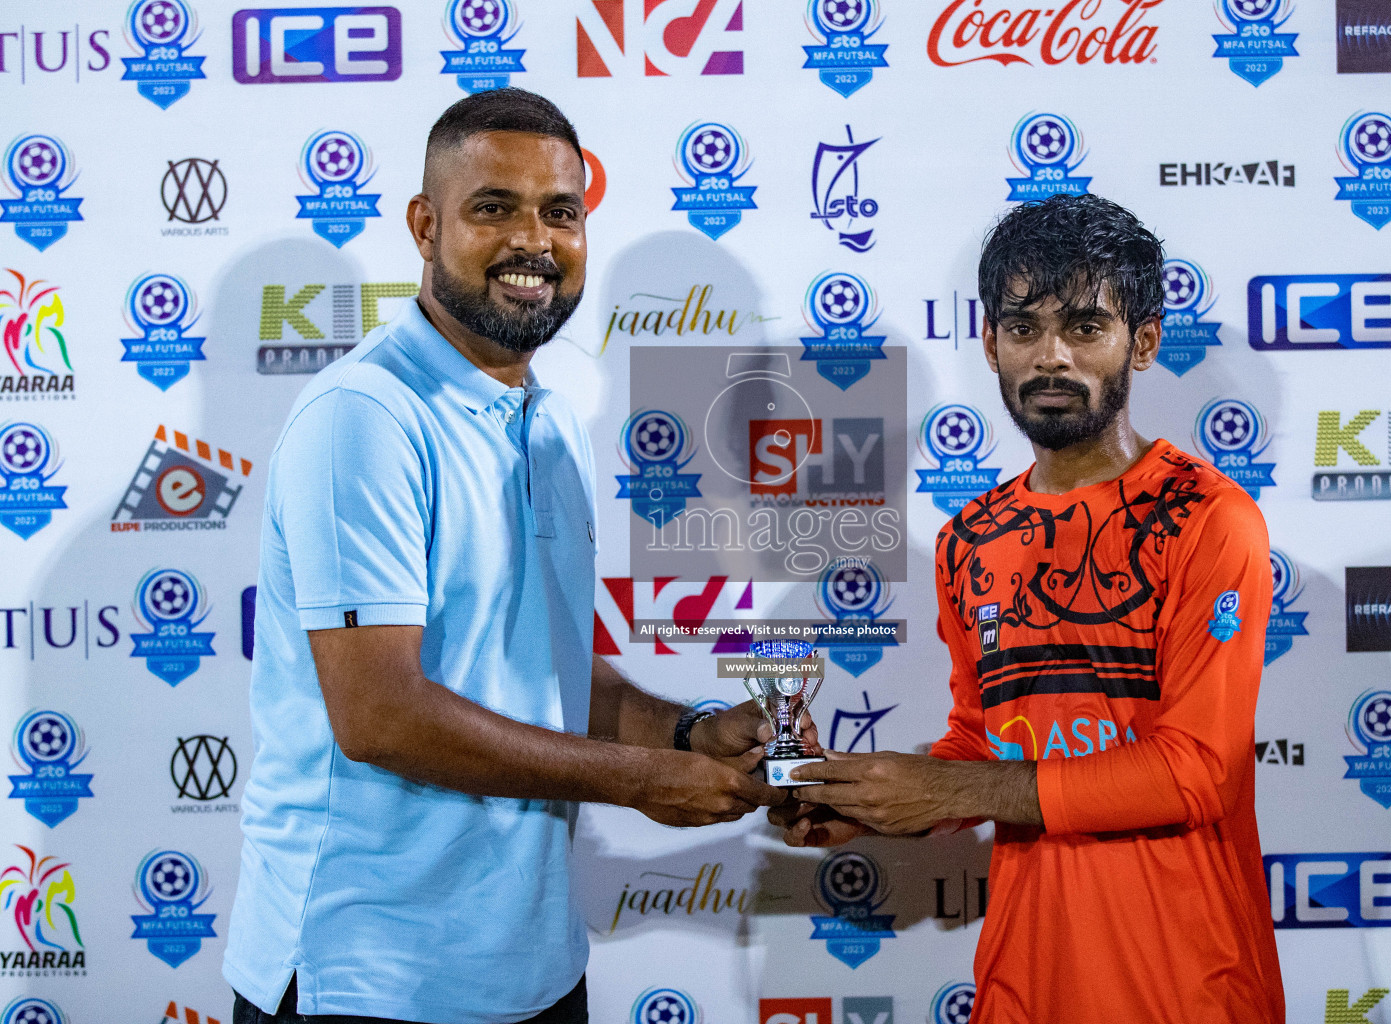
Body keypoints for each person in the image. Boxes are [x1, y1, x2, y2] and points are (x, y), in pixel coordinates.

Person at [225, 88, 784, 1024]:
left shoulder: (550, 424)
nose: (535, 240)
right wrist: (638, 780)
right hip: (368, 978)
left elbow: (538, 670)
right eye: (494, 208)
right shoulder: (366, 416)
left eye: (560, 213)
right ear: (424, 223)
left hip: (534, 970)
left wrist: (687, 734)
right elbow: (381, 716)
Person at [776, 194, 1285, 1023]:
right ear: (990, 344)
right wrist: (873, 805)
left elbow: (1196, 769)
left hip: (1187, 985)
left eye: (1085, 327)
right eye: (1023, 328)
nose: (1052, 357)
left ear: (1144, 342)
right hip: (1022, 983)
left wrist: (949, 790)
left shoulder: (1209, 518)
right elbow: (983, 741)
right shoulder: (970, 539)